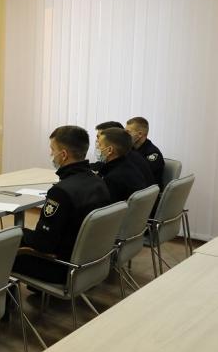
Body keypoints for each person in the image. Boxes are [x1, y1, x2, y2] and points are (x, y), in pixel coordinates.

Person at [13, 125, 110, 285]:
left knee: (3, 250)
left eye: (53, 150)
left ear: (63, 155)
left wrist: (16, 235)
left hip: (63, 268)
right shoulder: (98, 182)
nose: (51, 154)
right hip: (91, 263)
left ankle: (6, 300)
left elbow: (43, 244)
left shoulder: (61, 192)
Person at [96, 127, 150, 203]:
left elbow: (105, 208)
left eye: (100, 144)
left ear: (109, 150)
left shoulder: (112, 178)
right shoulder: (130, 166)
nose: (97, 147)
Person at [126, 117, 165, 188]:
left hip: (150, 192)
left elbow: (140, 176)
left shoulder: (152, 153)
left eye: (128, 132)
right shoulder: (130, 149)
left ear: (140, 134)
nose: (125, 135)